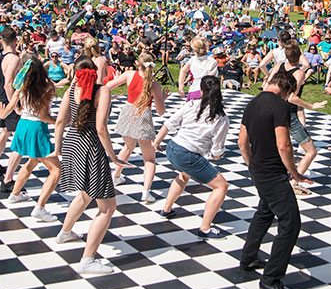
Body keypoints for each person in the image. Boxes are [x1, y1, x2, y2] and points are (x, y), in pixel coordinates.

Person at [237, 70, 312, 289]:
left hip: (258, 168)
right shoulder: (280, 106)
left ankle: (249, 257)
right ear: (287, 90)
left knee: (264, 212)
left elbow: (242, 141)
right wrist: (296, 173)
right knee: (291, 224)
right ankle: (271, 279)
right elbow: (285, 146)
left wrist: (252, 165)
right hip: (273, 173)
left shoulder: (252, 101)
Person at [54, 58, 131, 274]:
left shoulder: (71, 89)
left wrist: (58, 148)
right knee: (107, 207)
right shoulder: (103, 90)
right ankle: (88, 259)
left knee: (86, 193)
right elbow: (101, 128)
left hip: (72, 143)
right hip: (90, 147)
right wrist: (114, 157)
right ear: (96, 71)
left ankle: (66, 231)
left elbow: (60, 121)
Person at [153, 75, 231, 239]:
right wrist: (217, 156)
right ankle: (205, 228)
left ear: (201, 90)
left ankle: (166, 209)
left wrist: (157, 142)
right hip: (187, 154)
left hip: (172, 147)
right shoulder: (221, 117)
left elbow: (170, 123)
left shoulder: (191, 104)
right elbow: (217, 151)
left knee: (184, 174)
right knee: (221, 186)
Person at [0, 56, 62, 223]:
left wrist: (2, 115)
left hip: (22, 126)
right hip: (36, 128)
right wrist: (60, 123)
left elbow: (11, 106)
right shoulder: (46, 88)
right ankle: (40, 207)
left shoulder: (22, 86)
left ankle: (15, 194)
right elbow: (43, 116)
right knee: (56, 171)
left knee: (32, 161)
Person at [265, 42, 326, 195]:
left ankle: (278, 177)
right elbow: (292, 97)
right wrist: (312, 106)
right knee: (311, 151)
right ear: (299, 56)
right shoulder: (298, 73)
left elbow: (267, 86)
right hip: (287, 113)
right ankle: (294, 181)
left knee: (279, 146)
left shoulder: (278, 65)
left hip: (270, 108)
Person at [107, 52, 167, 203]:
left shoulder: (129, 75)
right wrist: (162, 98)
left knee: (127, 147)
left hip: (128, 111)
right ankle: (146, 191)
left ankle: (116, 176)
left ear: (138, 64)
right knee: (149, 159)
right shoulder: (155, 85)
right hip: (143, 115)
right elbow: (161, 112)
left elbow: (107, 86)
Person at [0, 27, 23, 190]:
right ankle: (8, 178)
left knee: (4, 132)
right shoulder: (13, 58)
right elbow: (9, 84)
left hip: (0, 98)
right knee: (18, 137)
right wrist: (14, 106)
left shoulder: (0, 57)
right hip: (9, 99)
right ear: (16, 40)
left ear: (2, 41)